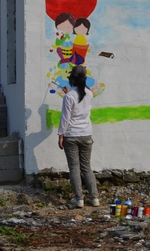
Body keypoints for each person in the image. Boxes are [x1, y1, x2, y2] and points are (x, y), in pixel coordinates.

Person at [57, 65, 99, 208]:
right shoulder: (90, 93)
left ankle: (79, 199)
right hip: (86, 134)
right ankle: (94, 198)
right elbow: (80, 98)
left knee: (74, 168)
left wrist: (61, 135)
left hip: (71, 135)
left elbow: (65, 118)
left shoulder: (69, 97)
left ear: (72, 79)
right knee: (86, 167)